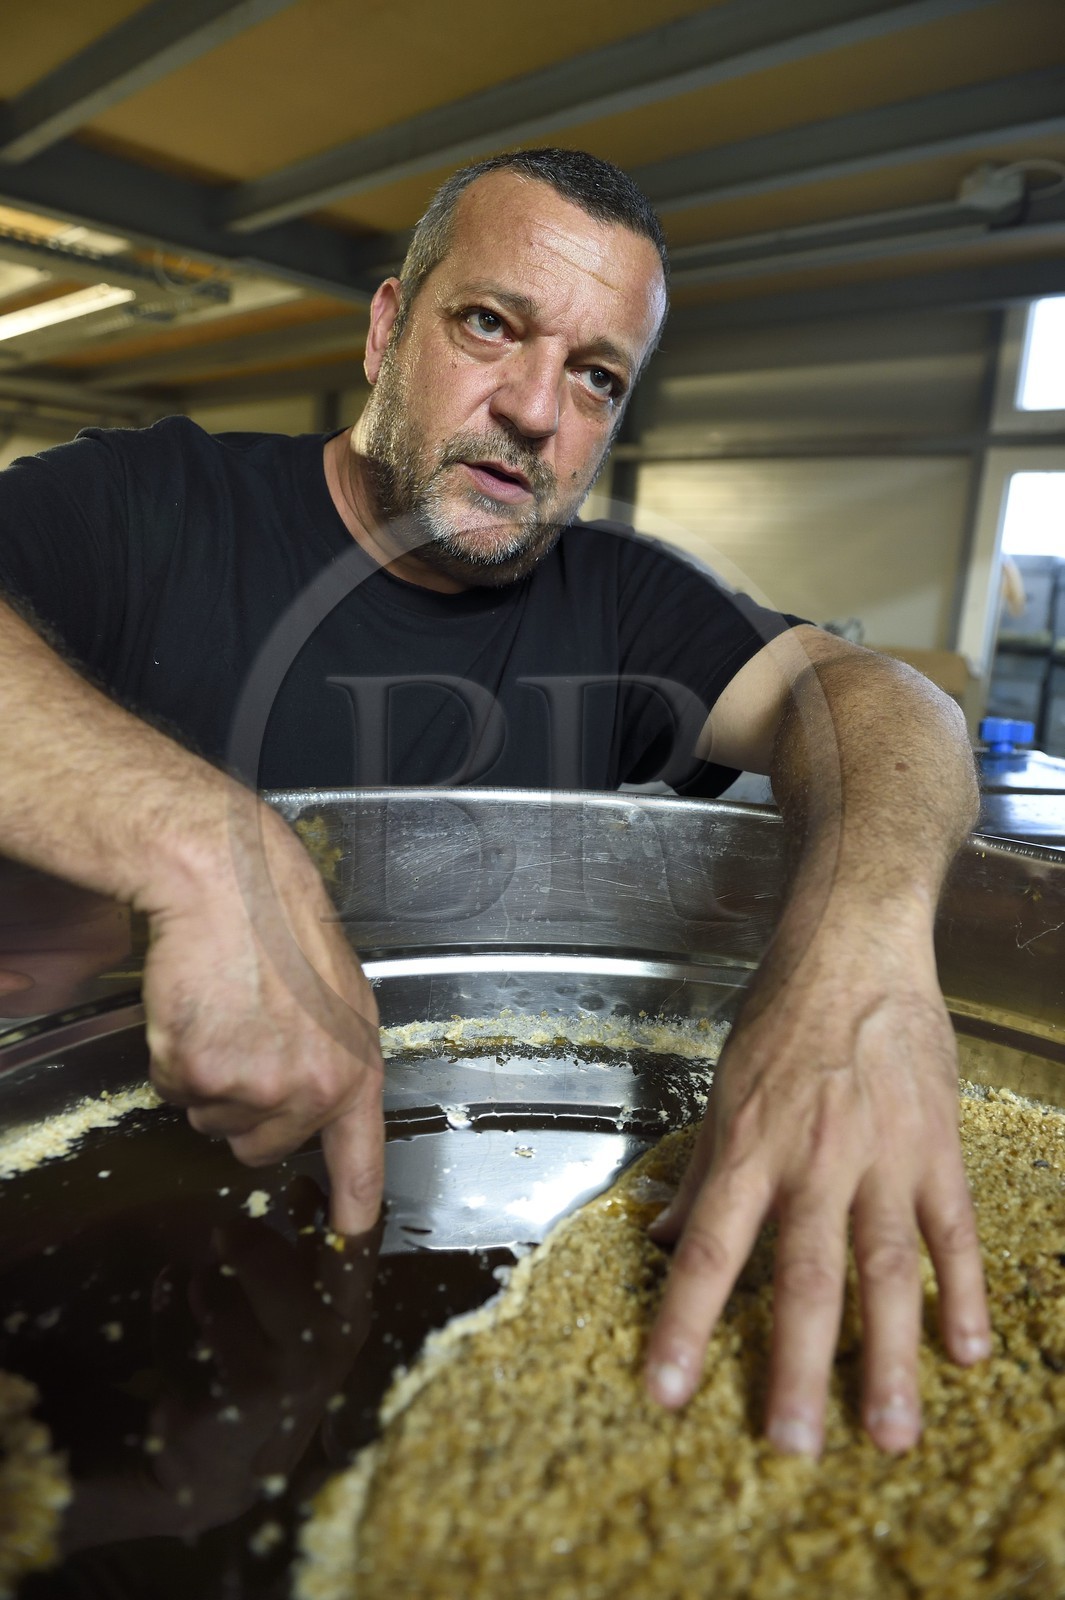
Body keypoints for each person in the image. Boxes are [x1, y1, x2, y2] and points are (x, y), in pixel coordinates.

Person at [0, 148, 990, 1462]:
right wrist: (208, 840)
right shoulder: (145, 505)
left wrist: (855, 964)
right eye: (490, 324)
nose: (535, 410)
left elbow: (887, 703)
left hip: (480, 1336)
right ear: (385, 326)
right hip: (103, 1264)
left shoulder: (627, 604)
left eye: (595, 378)